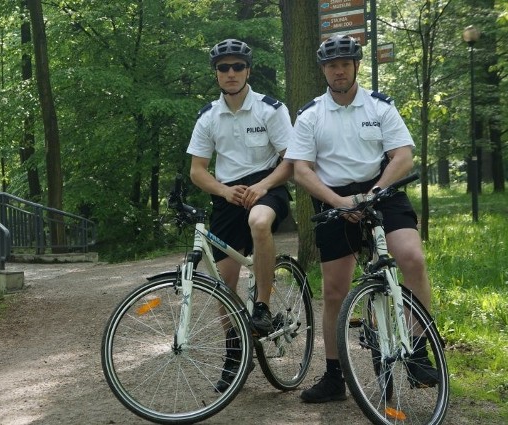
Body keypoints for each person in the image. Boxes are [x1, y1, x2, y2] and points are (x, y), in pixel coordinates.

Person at [284, 34, 439, 403]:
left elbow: (402, 156)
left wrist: (372, 194)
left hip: (382, 190)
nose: (338, 71)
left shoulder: (380, 106)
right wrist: (339, 202)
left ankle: (418, 349)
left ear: (356, 66)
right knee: (335, 290)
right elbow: (302, 171)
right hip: (333, 196)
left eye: (344, 64)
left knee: (411, 258)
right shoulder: (310, 114)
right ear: (323, 69)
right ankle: (334, 376)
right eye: (331, 65)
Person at [186, 38, 294, 392]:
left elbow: (290, 160)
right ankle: (236, 356)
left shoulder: (271, 109)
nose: (230, 73)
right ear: (216, 74)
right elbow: (198, 170)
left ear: (248, 70)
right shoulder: (208, 116)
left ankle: (261, 307)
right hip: (228, 195)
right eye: (223, 68)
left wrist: (262, 187)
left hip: (268, 188)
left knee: (259, 222)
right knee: (224, 286)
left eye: (237, 67)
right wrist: (223, 190)